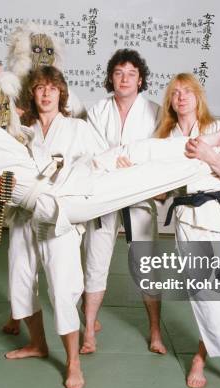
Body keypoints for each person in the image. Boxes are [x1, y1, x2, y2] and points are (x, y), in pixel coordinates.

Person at [3, 66, 104, 388]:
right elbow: (7, 172)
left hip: (59, 220)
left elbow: (97, 165)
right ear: (32, 94)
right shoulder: (22, 130)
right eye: (39, 88)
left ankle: (73, 362)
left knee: (62, 288)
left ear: (62, 93)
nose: (46, 93)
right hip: (24, 216)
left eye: (52, 88)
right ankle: (37, 343)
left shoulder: (77, 128)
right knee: (20, 280)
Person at [156, 73, 220, 388]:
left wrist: (211, 156)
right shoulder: (165, 137)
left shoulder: (217, 129)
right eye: (175, 93)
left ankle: (199, 357)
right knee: (205, 297)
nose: (181, 97)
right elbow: (161, 192)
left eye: (188, 92)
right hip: (188, 221)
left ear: (199, 97)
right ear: (169, 101)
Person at [2, 21, 88, 335]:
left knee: (64, 282)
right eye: (35, 50)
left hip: (59, 209)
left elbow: (95, 158)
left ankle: (77, 338)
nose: (41, 55)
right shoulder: (13, 97)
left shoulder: (73, 120)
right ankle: (28, 330)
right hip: (25, 204)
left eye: (47, 50)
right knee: (20, 274)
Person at [81, 48, 162, 355]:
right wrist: (118, 164)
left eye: (131, 73)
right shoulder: (97, 111)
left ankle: (155, 331)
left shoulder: (154, 112)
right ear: (110, 78)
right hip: (103, 195)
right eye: (118, 72)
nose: (124, 79)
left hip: (139, 194)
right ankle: (89, 330)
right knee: (95, 262)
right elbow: (92, 154)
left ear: (140, 80)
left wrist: (133, 170)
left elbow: (156, 154)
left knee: (147, 264)